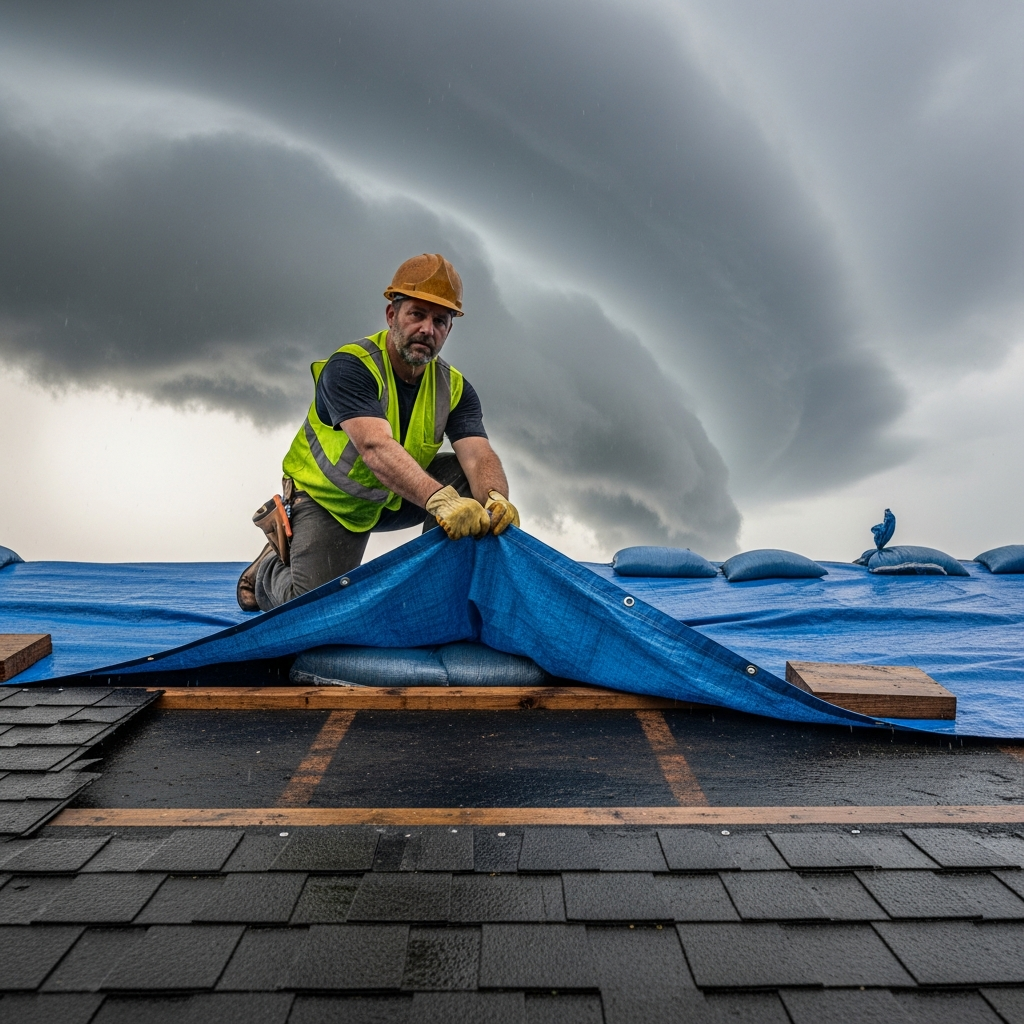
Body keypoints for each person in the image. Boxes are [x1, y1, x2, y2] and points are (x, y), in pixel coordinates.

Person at [237, 253, 519, 611]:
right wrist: (441, 501)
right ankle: (267, 570)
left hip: (394, 497)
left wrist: (496, 498)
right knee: (312, 610)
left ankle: (438, 593)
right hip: (328, 502)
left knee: (465, 476)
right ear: (392, 316)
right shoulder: (351, 367)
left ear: (449, 330)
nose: (427, 329)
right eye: (416, 314)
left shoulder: (454, 388)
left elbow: (479, 455)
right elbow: (374, 447)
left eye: (440, 320)